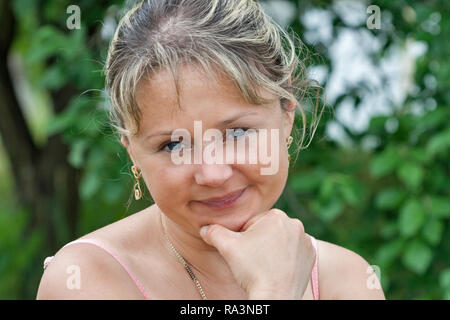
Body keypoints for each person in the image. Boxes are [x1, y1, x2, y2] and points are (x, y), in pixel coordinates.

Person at [36, 0, 385, 300]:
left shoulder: (347, 281)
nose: (213, 174)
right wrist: (273, 293)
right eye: (173, 144)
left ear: (286, 118)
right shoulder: (88, 280)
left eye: (237, 133)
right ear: (133, 153)